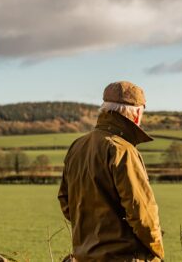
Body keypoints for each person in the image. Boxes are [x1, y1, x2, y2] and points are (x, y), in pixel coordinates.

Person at [58, 81, 164, 261]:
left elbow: (65, 201)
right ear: (137, 114)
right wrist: (157, 253)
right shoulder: (123, 150)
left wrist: (91, 233)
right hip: (123, 257)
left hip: (84, 257)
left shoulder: (77, 146)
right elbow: (141, 212)